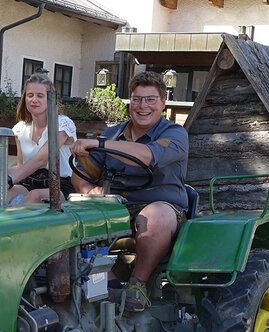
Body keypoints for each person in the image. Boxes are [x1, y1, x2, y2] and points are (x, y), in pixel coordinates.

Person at [70, 71, 188, 312]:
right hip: (114, 206)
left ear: (163, 103)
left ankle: (138, 285)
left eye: (150, 99)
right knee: (64, 216)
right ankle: (102, 284)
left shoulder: (175, 134)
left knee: (155, 216)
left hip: (162, 207)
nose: (143, 106)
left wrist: (100, 144)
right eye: (137, 99)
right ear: (130, 102)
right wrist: (90, 189)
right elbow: (81, 174)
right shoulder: (113, 133)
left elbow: (148, 157)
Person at [0, 73, 76, 206]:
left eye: (40, 96)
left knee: (34, 196)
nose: (34, 100)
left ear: (50, 99)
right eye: (30, 95)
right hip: (29, 182)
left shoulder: (62, 124)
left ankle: (19, 220)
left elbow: (41, 159)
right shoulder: (20, 129)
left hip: (59, 183)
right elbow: (21, 166)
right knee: (2, 195)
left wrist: (9, 181)